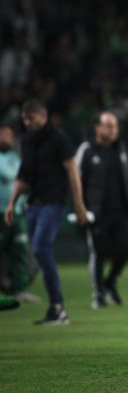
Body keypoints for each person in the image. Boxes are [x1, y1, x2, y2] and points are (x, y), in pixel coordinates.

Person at [5, 98, 88, 325]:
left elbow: (72, 171)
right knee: (40, 251)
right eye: (24, 117)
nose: (27, 121)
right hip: (33, 203)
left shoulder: (58, 139)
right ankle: (56, 308)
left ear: (43, 116)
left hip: (53, 203)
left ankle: (58, 307)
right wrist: (12, 202)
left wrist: (79, 204)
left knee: (41, 247)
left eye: (30, 117)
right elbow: (22, 176)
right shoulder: (27, 142)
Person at [76, 111, 128, 309]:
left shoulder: (121, 150)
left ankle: (110, 282)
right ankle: (98, 294)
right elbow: (76, 182)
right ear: (97, 128)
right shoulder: (87, 150)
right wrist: (80, 208)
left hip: (121, 210)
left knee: (126, 249)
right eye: (109, 126)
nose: (113, 130)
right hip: (97, 212)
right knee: (98, 252)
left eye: (115, 126)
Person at [0, 124, 39, 303]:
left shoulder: (16, 158)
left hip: (17, 212)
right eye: (3, 134)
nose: (8, 137)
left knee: (20, 250)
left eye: (10, 134)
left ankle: (20, 289)